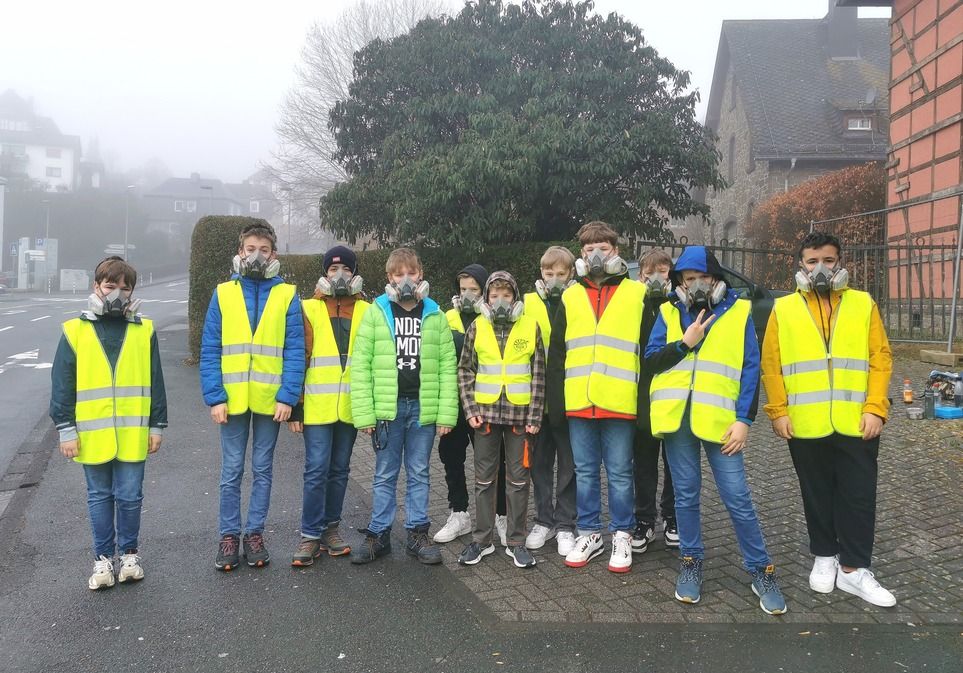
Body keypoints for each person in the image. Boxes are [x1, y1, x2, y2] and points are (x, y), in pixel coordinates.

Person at [645, 246, 787, 616]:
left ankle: (761, 570)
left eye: (703, 278)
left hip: (723, 423)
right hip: (678, 420)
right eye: (688, 279)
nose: (696, 284)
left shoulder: (739, 312)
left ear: (716, 279)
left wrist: (744, 421)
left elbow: (751, 369)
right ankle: (691, 562)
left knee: (737, 497)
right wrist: (684, 343)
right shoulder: (667, 311)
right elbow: (652, 361)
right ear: (679, 283)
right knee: (685, 497)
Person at [761, 232, 895, 607]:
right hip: (805, 422)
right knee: (816, 492)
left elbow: (880, 358)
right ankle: (824, 555)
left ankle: (854, 569)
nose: (820, 268)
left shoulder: (863, 303)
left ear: (840, 263)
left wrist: (876, 407)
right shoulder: (783, 308)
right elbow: (772, 364)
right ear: (800, 266)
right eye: (812, 261)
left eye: (829, 260)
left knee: (858, 495)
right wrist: (778, 411)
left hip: (858, 422)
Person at [50, 256, 167, 589]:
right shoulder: (74, 331)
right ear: (96, 287)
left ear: (132, 293)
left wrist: (157, 425)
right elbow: (62, 383)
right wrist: (65, 429)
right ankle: (102, 560)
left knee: (130, 496)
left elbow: (156, 381)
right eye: (110, 285)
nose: (117, 293)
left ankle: (129, 555)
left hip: (133, 432)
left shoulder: (144, 330)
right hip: (91, 434)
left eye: (124, 288)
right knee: (99, 496)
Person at [200, 222, 305, 571]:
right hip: (230, 401)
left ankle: (254, 534)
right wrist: (215, 397)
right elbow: (210, 348)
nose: (257, 255)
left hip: (270, 401)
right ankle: (229, 536)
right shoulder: (222, 293)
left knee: (262, 469)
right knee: (231, 470)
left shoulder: (287, 294)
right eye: (250, 249)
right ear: (240, 252)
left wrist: (288, 397)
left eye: (264, 250)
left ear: (273, 254)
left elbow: (294, 350)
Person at [349, 247, 459, 565]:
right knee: (385, 473)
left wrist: (446, 413)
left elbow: (447, 367)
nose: (406, 279)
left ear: (420, 274)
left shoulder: (435, 315)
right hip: (388, 410)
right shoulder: (376, 312)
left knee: (420, 472)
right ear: (389, 278)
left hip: (422, 408)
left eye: (411, 273)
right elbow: (361, 365)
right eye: (399, 274)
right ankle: (379, 534)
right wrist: (365, 414)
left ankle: (417, 534)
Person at [547, 221, 644, 574]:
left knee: (619, 473)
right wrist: (556, 407)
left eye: (603, 248)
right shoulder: (570, 296)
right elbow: (557, 354)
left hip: (619, 401)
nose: (596, 255)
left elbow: (647, 349)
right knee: (585, 472)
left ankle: (622, 533)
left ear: (616, 251)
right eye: (589, 250)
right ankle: (589, 533)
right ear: (581, 255)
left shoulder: (637, 293)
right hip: (579, 402)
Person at [456, 272, 545, 568]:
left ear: (515, 299)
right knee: (484, 480)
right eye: (494, 296)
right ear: (486, 299)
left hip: (521, 417)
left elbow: (539, 375)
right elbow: (465, 370)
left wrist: (535, 415)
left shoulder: (530, 326)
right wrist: (470, 410)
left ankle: (516, 542)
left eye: (506, 295)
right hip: (485, 416)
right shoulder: (477, 326)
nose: (500, 301)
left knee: (518, 481)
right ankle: (482, 541)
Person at [288, 246, 369, 566]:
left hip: (349, 407)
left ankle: (330, 530)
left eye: (346, 269)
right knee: (316, 469)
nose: (339, 275)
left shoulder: (367, 311)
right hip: (316, 407)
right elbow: (299, 358)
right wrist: (296, 407)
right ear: (324, 275)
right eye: (333, 270)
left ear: (355, 274)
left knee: (339, 470)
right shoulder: (307, 308)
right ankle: (310, 535)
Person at [435, 264, 511, 544]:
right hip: (454, 402)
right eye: (463, 289)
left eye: (474, 289)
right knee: (451, 458)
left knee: (494, 462)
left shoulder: (494, 320)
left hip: (485, 404)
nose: (467, 295)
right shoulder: (446, 318)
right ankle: (459, 513)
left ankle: (501, 515)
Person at [523, 245, 578, 556]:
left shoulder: (577, 300)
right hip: (538, 402)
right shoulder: (527, 303)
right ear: (541, 274)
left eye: (560, 273)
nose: (554, 278)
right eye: (548, 273)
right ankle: (543, 520)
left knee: (570, 465)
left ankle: (566, 523)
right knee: (540, 465)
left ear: (570, 274)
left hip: (569, 399)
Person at [632, 248, 677, 554]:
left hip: (672, 397)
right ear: (640, 276)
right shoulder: (635, 307)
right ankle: (644, 520)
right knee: (644, 464)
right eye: (650, 273)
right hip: (641, 397)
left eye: (663, 272)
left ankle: (672, 518)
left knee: (674, 463)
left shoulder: (679, 306)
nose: (657, 278)